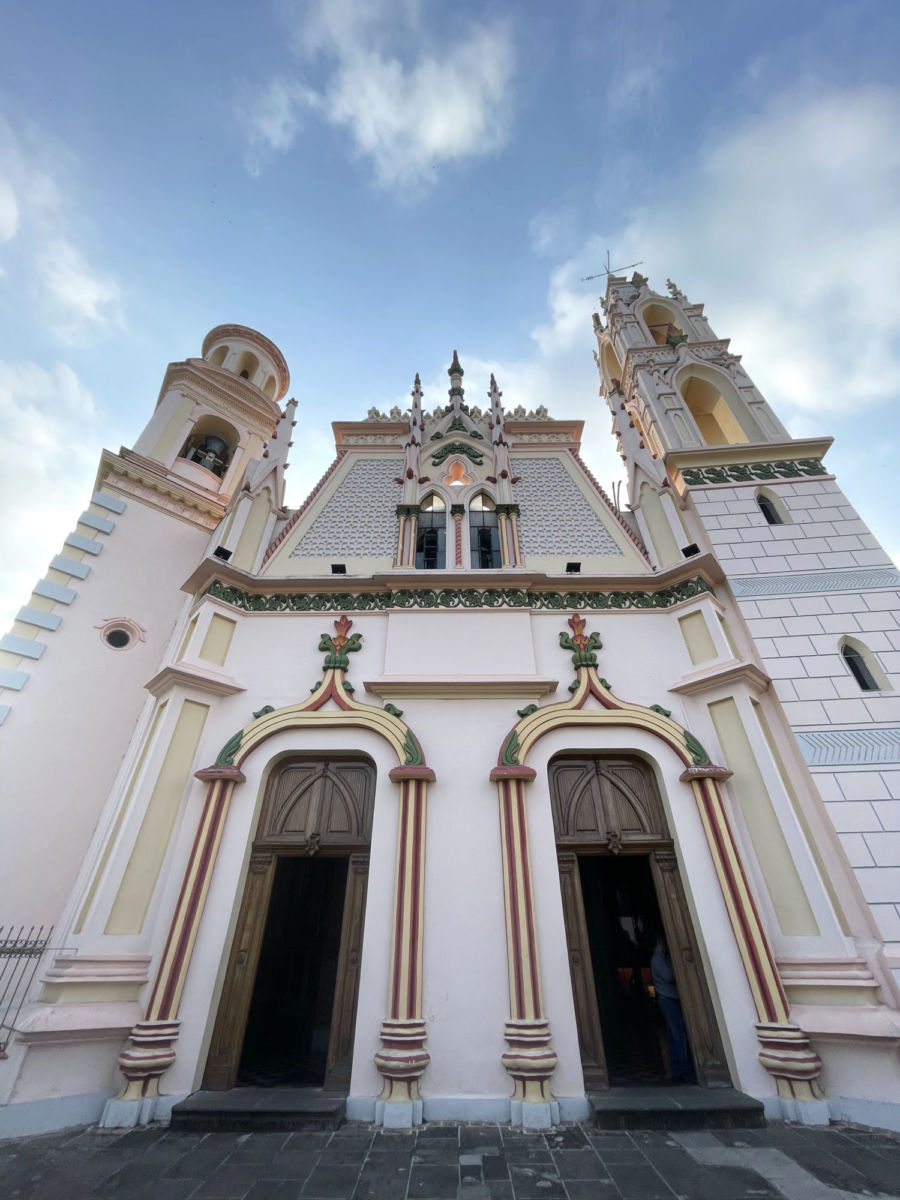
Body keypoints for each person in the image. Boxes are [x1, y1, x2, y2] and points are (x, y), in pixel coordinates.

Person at [650, 935, 695, 1084]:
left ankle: (678, 1071)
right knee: (678, 1035)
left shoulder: (663, 958)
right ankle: (685, 1071)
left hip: (671, 1000)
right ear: (659, 942)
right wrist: (680, 968)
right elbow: (669, 976)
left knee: (675, 1035)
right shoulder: (657, 959)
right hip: (667, 1000)